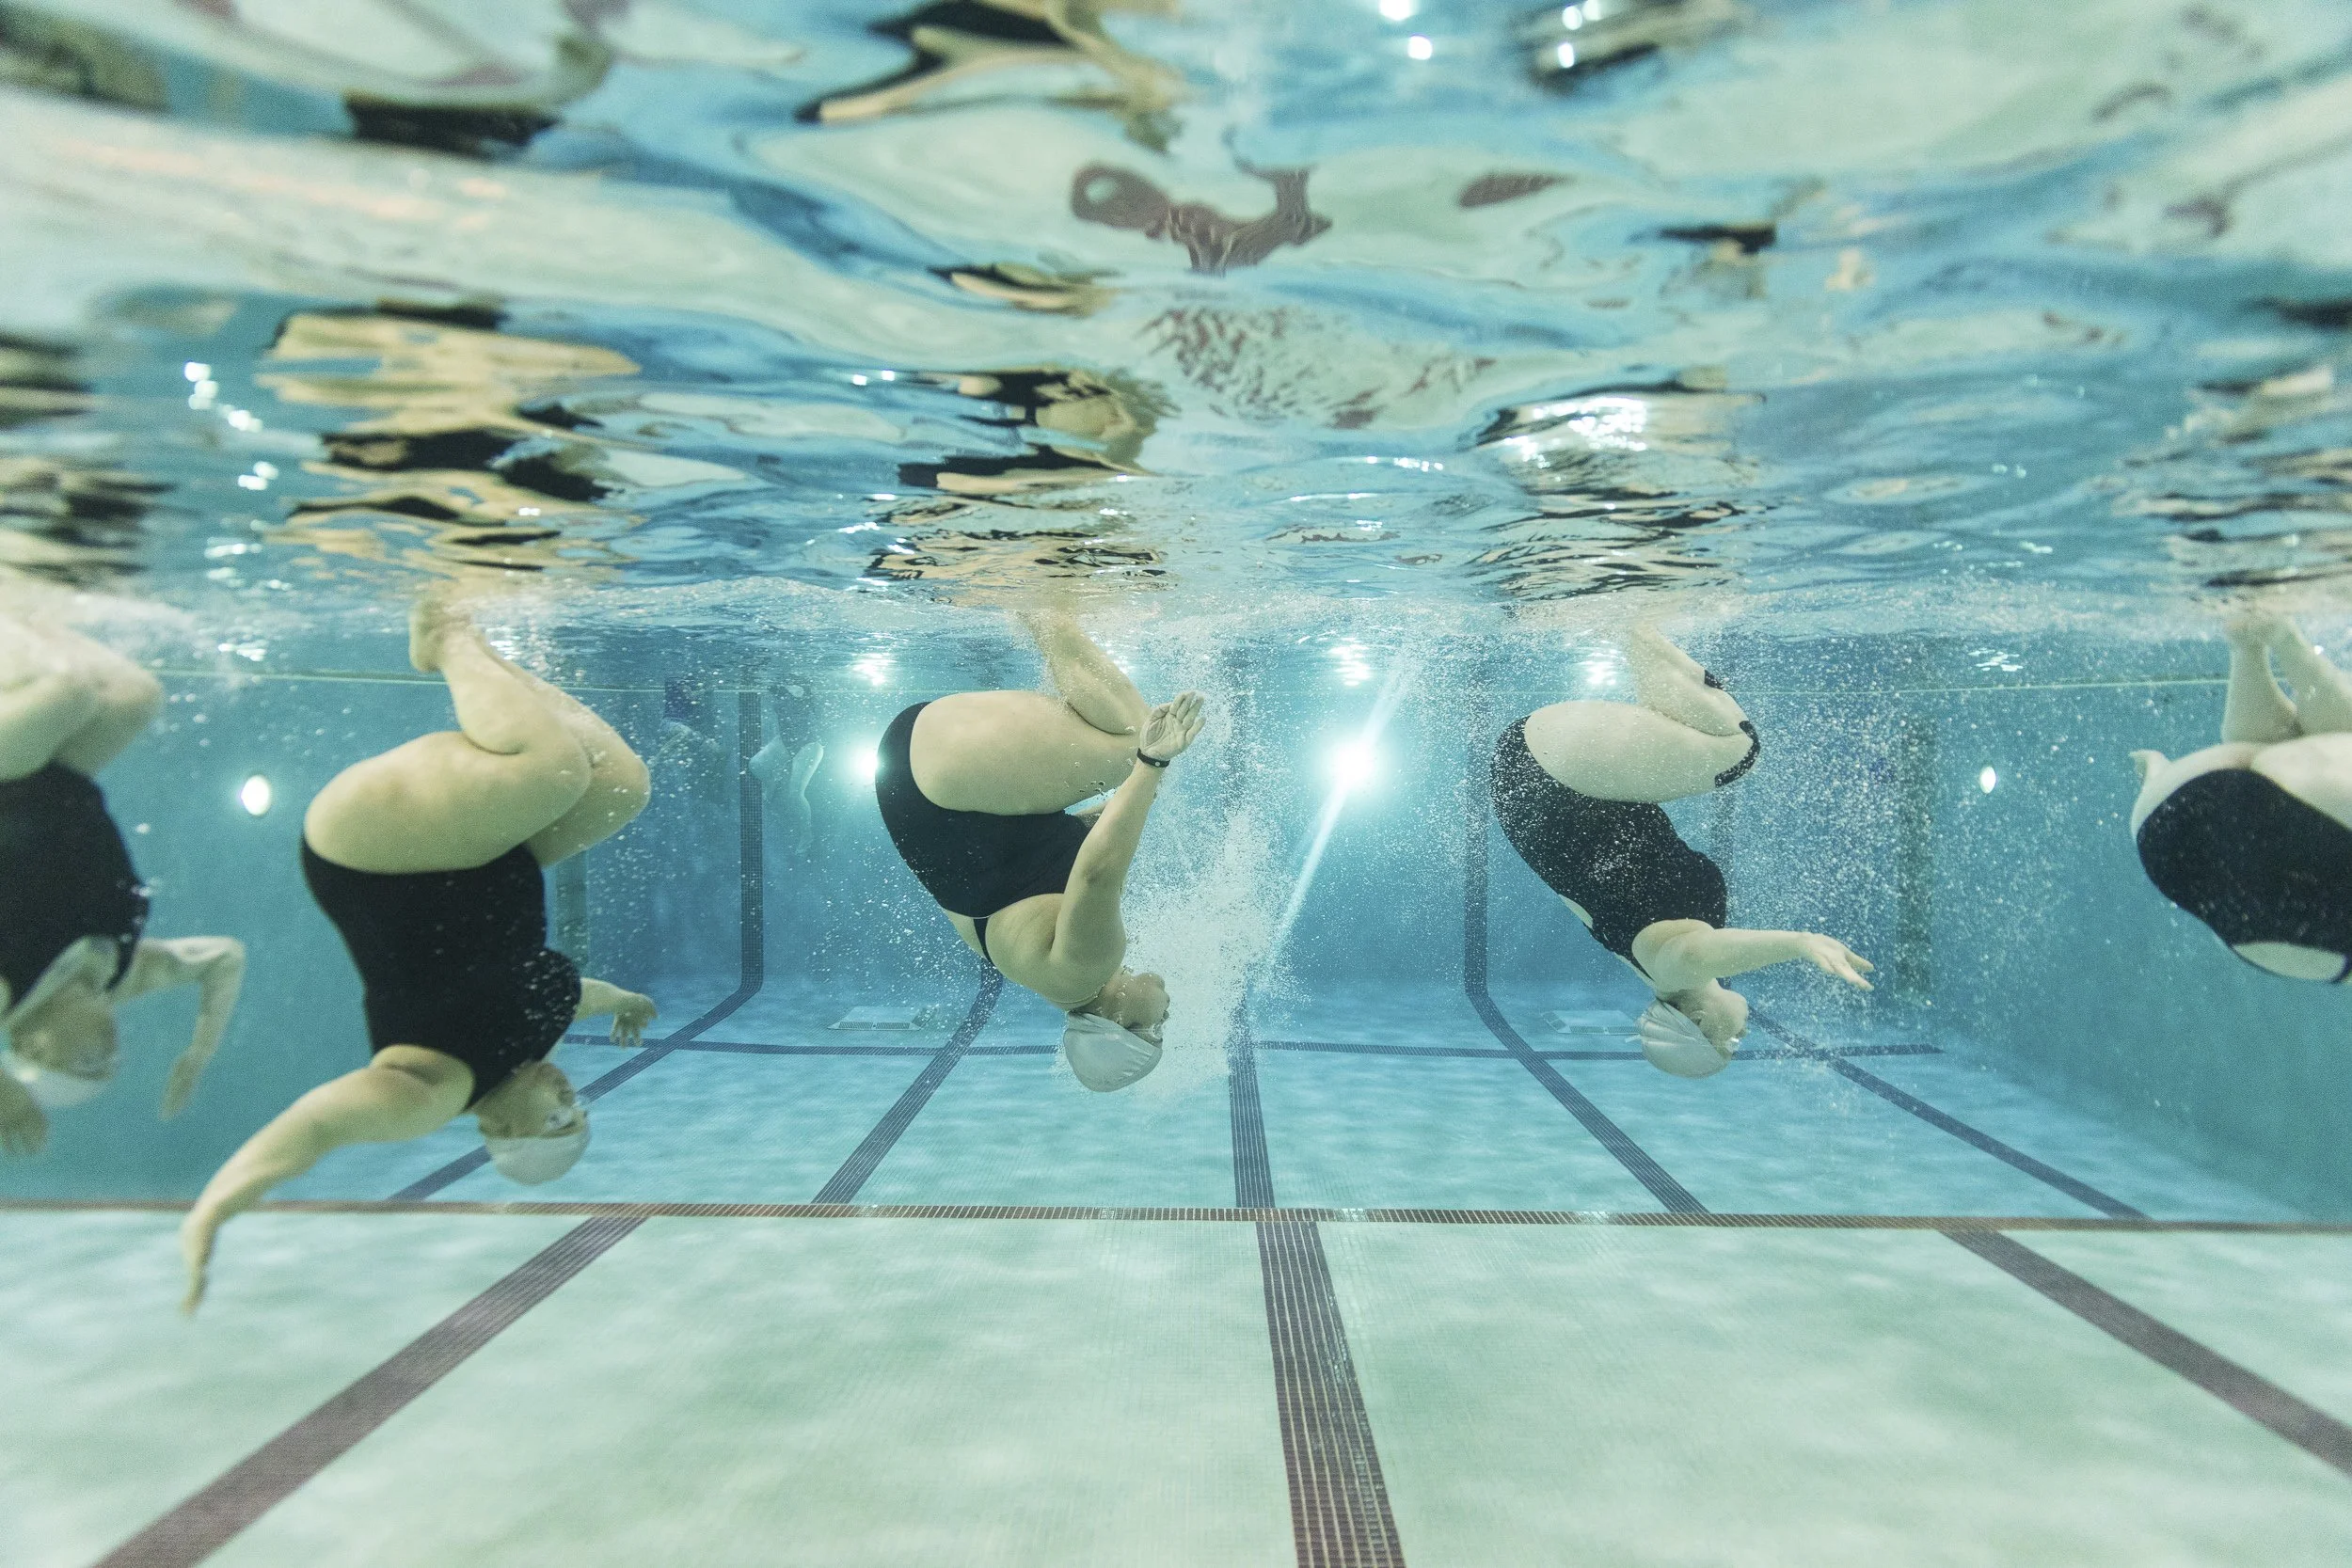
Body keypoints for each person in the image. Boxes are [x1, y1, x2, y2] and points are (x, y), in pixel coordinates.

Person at [181, 596, 658, 1310]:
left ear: (496, 1128)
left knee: (552, 767)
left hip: (378, 855)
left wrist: (220, 1200)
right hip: (482, 858)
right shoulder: (535, 1041)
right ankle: (490, 657)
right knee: (622, 788)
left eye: (556, 1120)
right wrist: (627, 1001)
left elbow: (315, 1125)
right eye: (581, 1111)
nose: (569, 1097)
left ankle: (446, 634)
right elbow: (570, 990)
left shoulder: (429, 1093)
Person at [1490, 623, 1872, 1077]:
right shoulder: (1652, 969)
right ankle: (1635, 625)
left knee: (1737, 750)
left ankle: (1635, 617)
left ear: (1701, 1022)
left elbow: (1694, 957)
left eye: (1730, 1043)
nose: (1742, 1037)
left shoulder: (1671, 971)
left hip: (1553, 776)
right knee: (1701, 739)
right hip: (1542, 775)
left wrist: (1800, 944)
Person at [874, 609, 1203, 1091]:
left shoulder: (1086, 971)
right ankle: (1042, 612)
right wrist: (1133, 798)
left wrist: (1152, 766)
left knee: (1135, 740)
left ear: (1122, 1023)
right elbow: (1034, 854)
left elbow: (1098, 872)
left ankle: (1046, 604)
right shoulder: (1042, 973)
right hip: (915, 771)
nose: (1167, 1014)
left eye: (1158, 1029)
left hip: (945, 771)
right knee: (1127, 766)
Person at [0, 612, 246, 1157]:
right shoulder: (124, 978)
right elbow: (224, 958)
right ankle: (27, 605)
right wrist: (199, 1052)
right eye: (107, 1067)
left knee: (67, 686)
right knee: (137, 694)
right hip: (61, 777)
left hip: (6, 774)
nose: (107, 1051)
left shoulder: (9, 990)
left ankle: (9, 592)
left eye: (84, 1060)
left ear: (28, 1043)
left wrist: (5, 1092)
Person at [2133, 610, 2352, 981]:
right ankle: (2245, 647)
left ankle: (2282, 637)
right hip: (2175, 825)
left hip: (2321, 866)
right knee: (2272, 765)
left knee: (2323, 746)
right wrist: (2158, 774)